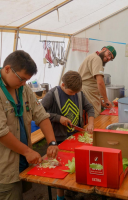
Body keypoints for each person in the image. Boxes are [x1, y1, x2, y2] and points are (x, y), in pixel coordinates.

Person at [0, 50, 59, 200]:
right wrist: (28, 152)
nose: (24, 83)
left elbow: (41, 115)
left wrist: (52, 142)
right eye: (22, 79)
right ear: (8, 69)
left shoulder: (22, 88)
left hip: (19, 158)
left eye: (26, 80)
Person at [41, 70, 95, 200]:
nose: (74, 94)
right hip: (58, 138)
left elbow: (90, 108)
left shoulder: (79, 93)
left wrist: (90, 123)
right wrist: (58, 118)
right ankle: (60, 196)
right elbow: (40, 113)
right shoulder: (53, 94)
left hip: (75, 135)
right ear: (63, 85)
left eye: (76, 92)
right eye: (71, 92)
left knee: (75, 163)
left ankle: (71, 188)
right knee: (61, 169)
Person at [78, 46, 117, 117]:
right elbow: (100, 82)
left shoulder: (93, 56)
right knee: (94, 117)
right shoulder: (97, 59)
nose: (108, 58)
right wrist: (106, 100)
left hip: (86, 91)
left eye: (111, 58)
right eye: (109, 54)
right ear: (104, 49)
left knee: (87, 117)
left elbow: (93, 82)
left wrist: (101, 103)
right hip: (88, 92)